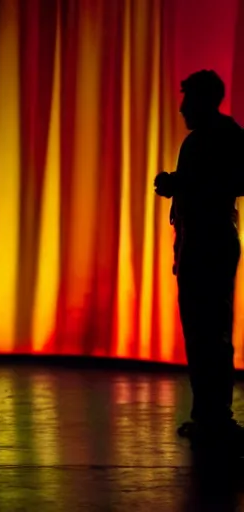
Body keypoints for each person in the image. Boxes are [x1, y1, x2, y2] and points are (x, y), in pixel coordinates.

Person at [154, 70, 244, 455]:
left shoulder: (227, 137)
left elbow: (238, 181)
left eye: (188, 100)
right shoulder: (196, 142)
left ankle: (217, 417)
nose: (182, 109)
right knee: (198, 330)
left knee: (211, 332)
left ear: (206, 102)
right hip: (194, 244)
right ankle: (207, 414)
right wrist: (178, 184)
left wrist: (184, 185)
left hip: (212, 243)